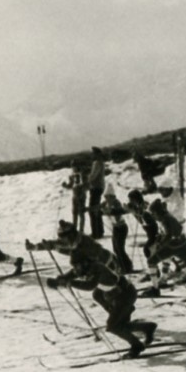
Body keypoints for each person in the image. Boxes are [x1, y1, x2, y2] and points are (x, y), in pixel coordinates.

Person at [51, 221, 156, 356]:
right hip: (116, 295)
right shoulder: (85, 266)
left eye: (77, 266)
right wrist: (60, 280)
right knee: (112, 315)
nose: (76, 269)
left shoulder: (97, 268)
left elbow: (89, 286)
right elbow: (73, 274)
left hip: (125, 295)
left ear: (84, 263)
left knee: (113, 326)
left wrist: (69, 283)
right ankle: (147, 327)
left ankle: (137, 346)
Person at [87, 149, 107, 239]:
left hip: (96, 188)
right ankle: (100, 231)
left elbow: (93, 176)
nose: (92, 155)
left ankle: (96, 233)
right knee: (97, 209)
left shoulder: (96, 163)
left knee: (93, 210)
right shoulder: (101, 162)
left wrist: (86, 179)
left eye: (93, 154)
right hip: (99, 187)